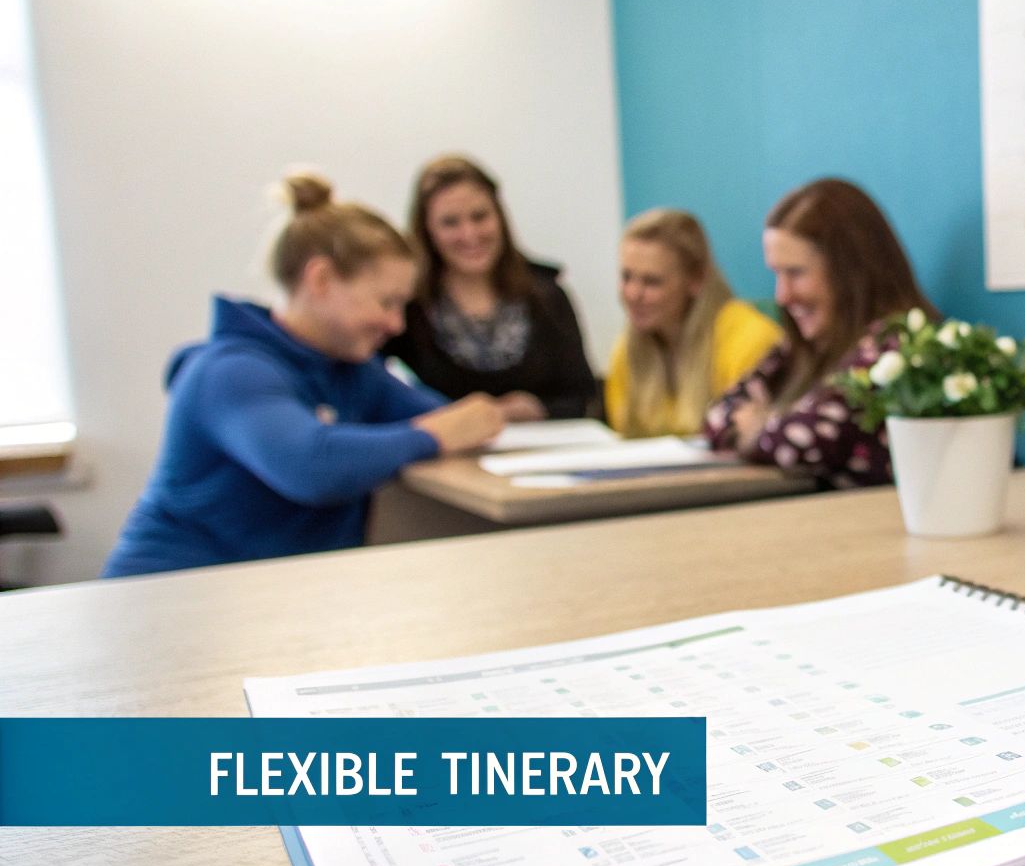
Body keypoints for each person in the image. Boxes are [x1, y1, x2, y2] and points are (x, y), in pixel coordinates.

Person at [103, 173, 505, 578]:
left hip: (276, 598)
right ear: (322, 280)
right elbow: (313, 465)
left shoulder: (352, 370)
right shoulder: (228, 372)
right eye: (387, 302)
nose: (395, 324)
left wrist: (455, 424)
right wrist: (434, 435)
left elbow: (450, 418)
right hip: (168, 599)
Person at [704, 178, 937, 488]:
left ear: (851, 270)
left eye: (796, 273)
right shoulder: (799, 349)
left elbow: (805, 440)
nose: (782, 296)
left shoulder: (898, 346)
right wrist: (773, 426)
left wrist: (764, 422)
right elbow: (718, 417)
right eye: (777, 273)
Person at [384, 155, 595, 420]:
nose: (469, 234)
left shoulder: (547, 296)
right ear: (427, 230)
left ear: (500, 218)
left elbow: (586, 398)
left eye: (480, 217)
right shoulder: (406, 307)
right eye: (450, 222)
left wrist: (539, 410)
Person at [605, 209, 782, 437]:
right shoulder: (627, 350)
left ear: (696, 279)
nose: (633, 293)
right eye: (626, 277)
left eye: (652, 282)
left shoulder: (751, 339)